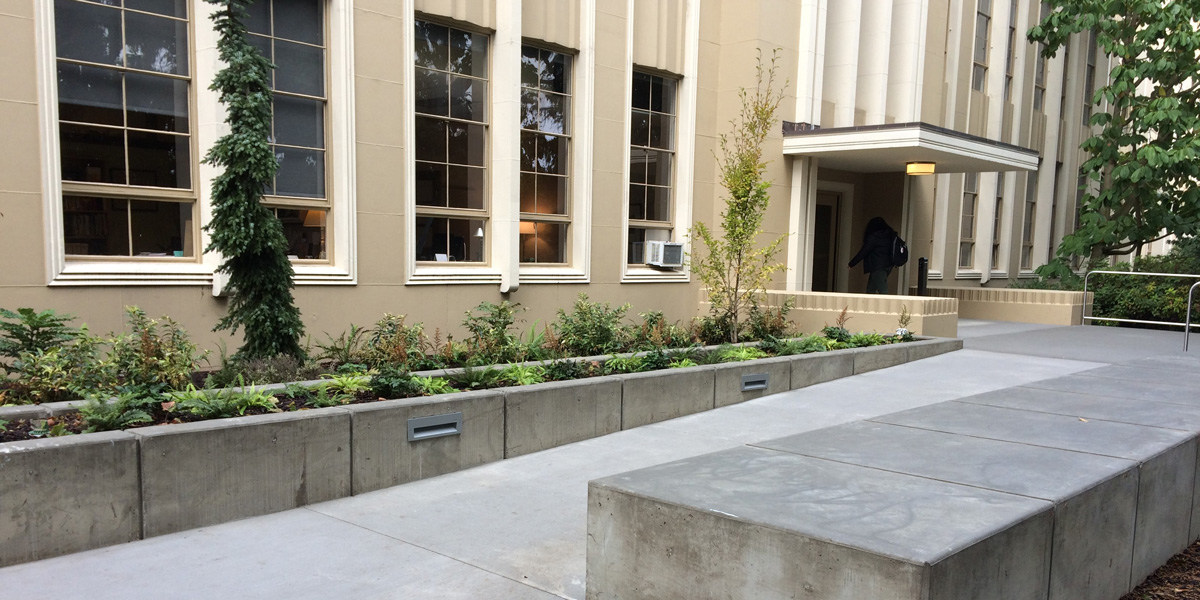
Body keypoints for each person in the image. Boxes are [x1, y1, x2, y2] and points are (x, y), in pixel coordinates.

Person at [848, 217, 896, 294]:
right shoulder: (890, 236)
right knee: (871, 290)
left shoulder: (874, 237)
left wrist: (852, 264)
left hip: (877, 266)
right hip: (888, 266)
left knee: (882, 291)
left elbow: (863, 252)